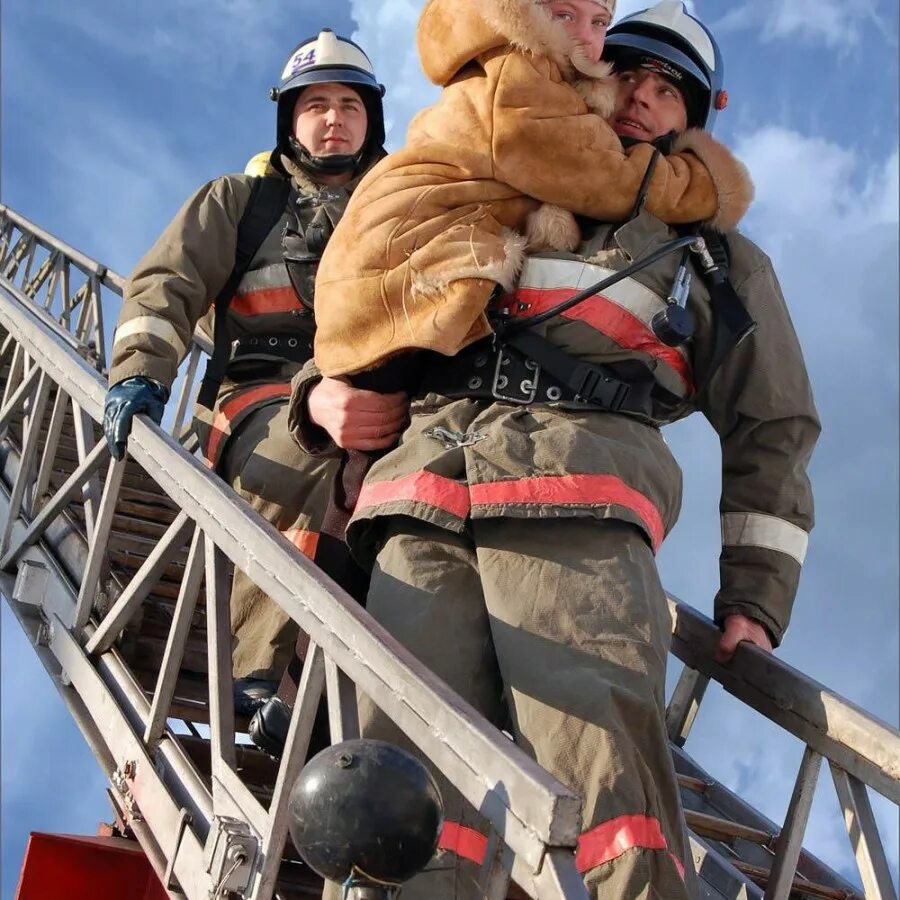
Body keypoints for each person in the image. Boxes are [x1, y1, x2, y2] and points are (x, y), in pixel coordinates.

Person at [291, 3, 819, 898]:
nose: (643, 103)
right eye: (631, 80)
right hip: (420, 500)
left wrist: (756, 600)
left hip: (578, 508)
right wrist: (319, 397)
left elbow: (775, 426)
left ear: (694, 119)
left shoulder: (714, 255)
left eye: (669, 94)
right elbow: (375, 308)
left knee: (610, 787)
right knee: (399, 787)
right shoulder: (490, 179)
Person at [102, 30, 408, 718]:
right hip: (260, 397)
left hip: (382, 401)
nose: (334, 118)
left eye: (351, 106)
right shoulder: (240, 203)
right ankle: (275, 673)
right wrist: (138, 373)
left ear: (372, 120)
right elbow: (165, 283)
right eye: (316, 104)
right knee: (307, 458)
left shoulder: (405, 220)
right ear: (289, 119)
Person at [311, 0, 754, 380]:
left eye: (599, 22)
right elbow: (607, 177)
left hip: (406, 298)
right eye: (564, 14)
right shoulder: (518, 75)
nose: (639, 97)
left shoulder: (716, 257)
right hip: (397, 286)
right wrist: (706, 185)